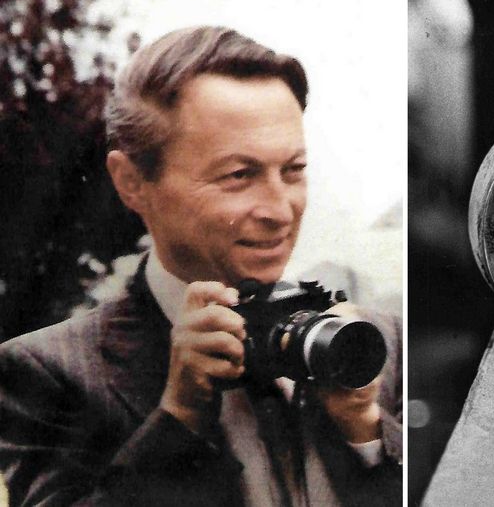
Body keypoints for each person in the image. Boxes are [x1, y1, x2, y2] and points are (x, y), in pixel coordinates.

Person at [0, 26, 402, 506]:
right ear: (131, 183)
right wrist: (178, 419)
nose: (280, 209)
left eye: (293, 170)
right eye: (239, 175)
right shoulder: (45, 373)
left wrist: (367, 437)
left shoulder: (377, 344)